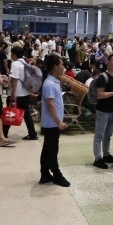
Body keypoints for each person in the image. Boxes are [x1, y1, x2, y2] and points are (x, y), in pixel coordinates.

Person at [39, 54, 71, 187]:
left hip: (53, 122)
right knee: (52, 150)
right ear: (55, 67)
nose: (64, 67)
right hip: (51, 123)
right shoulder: (49, 84)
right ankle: (57, 175)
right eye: (62, 64)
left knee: (47, 149)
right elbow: (50, 104)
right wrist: (58, 122)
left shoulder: (55, 81)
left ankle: (45, 174)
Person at [1, 46, 39, 142]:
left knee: (10, 112)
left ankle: (2, 134)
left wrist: (13, 93)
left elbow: (14, 79)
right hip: (25, 92)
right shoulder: (25, 63)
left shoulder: (15, 64)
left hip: (17, 93)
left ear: (14, 54)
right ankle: (32, 133)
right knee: (26, 114)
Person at [92, 53, 113, 169]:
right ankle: (97, 158)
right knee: (99, 135)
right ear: (107, 63)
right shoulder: (103, 77)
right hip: (102, 111)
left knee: (108, 135)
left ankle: (106, 154)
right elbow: (100, 95)